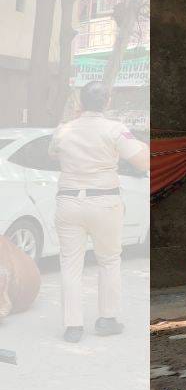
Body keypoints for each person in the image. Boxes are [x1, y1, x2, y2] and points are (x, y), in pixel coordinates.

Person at [49, 81, 150, 343]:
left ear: (80, 102)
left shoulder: (63, 130)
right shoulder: (115, 129)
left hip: (68, 201)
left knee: (70, 264)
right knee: (109, 260)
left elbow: (53, 154)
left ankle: (73, 326)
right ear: (107, 101)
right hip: (104, 202)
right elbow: (142, 162)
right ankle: (107, 319)